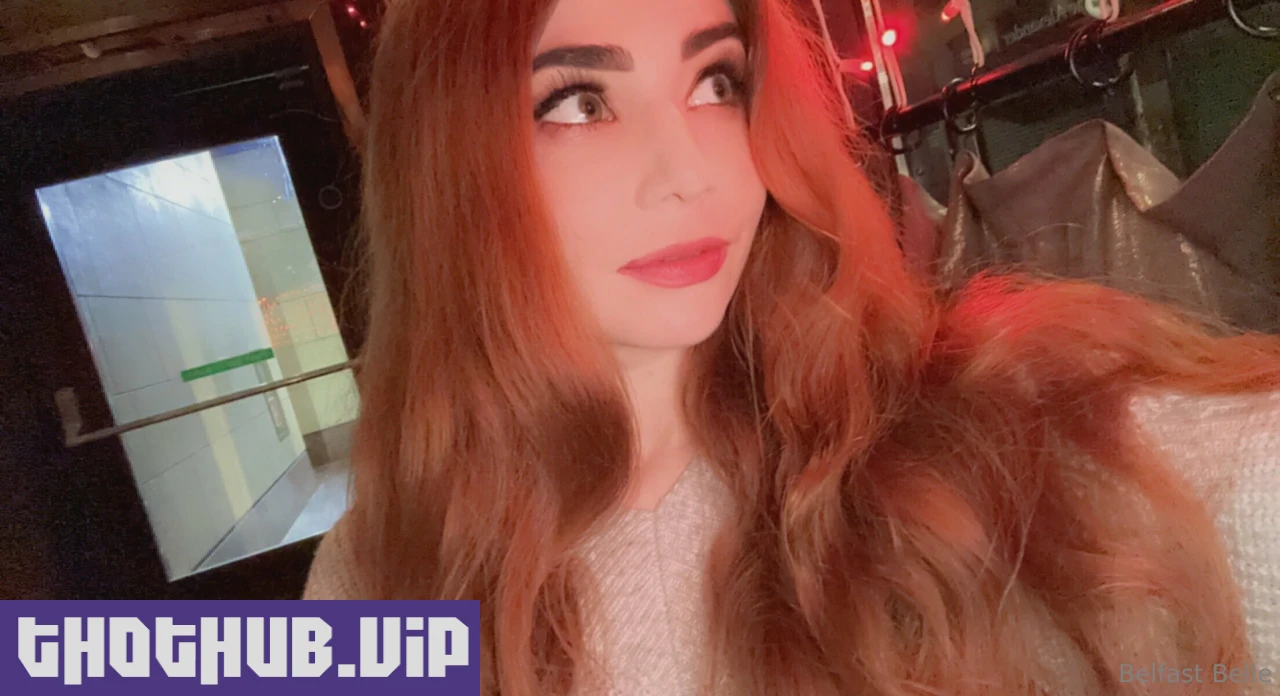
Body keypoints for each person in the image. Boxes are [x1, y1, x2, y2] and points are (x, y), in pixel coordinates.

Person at [303, 0, 1280, 693]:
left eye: (715, 81)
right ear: (451, 170)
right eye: (577, 101)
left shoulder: (973, 433)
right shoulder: (379, 565)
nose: (690, 172)